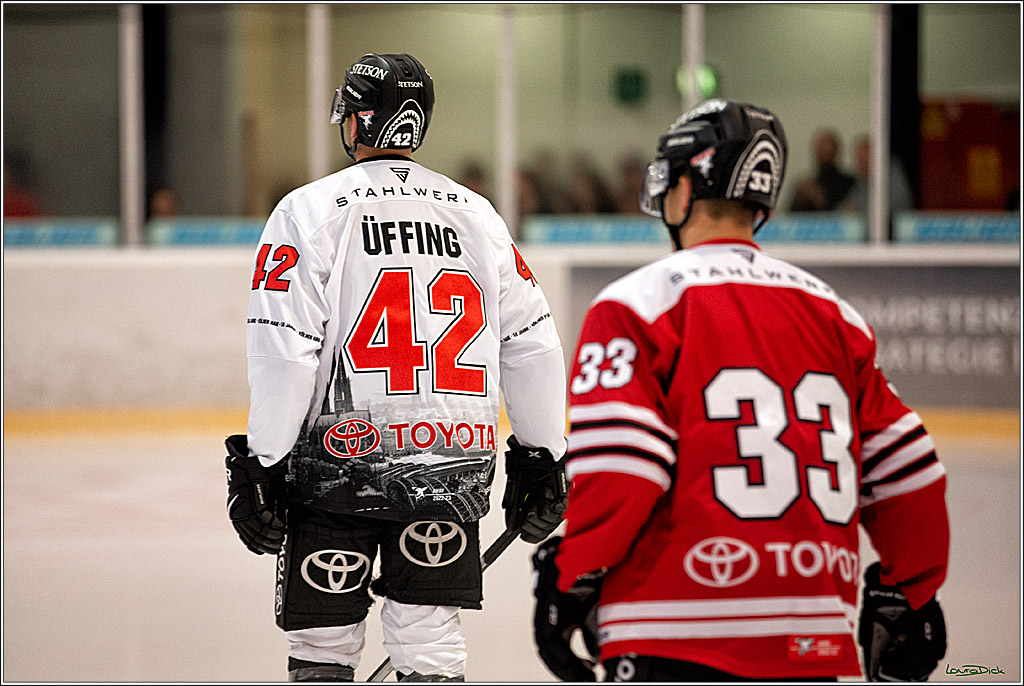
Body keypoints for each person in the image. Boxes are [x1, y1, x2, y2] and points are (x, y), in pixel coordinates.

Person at [530, 99, 949, 681]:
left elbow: (624, 467)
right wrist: (913, 591)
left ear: (683, 191)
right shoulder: (836, 315)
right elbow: (909, 472)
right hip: (810, 638)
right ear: (762, 200)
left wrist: (572, 571)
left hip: (672, 633)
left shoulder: (636, 304)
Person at [224, 53, 568, 682]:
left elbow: (285, 349)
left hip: (336, 467)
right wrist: (543, 454)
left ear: (357, 120)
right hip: (452, 462)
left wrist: (264, 460)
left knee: (323, 641)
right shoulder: (478, 214)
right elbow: (531, 343)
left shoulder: (309, 210)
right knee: (430, 638)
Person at [788, 128, 856, 212]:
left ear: (836, 152)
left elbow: (845, 213)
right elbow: (791, 217)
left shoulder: (849, 184)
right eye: (821, 153)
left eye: (828, 153)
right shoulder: (806, 185)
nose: (824, 156)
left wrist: (817, 197)